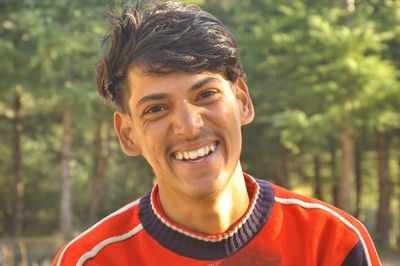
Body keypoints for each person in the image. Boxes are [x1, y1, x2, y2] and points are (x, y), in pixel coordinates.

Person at [53, 1, 380, 265]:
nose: (189, 125)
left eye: (206, 95)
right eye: (156, 109)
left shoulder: (331, 244)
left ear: (242, 101)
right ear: (127, 134)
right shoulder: (93, 259)